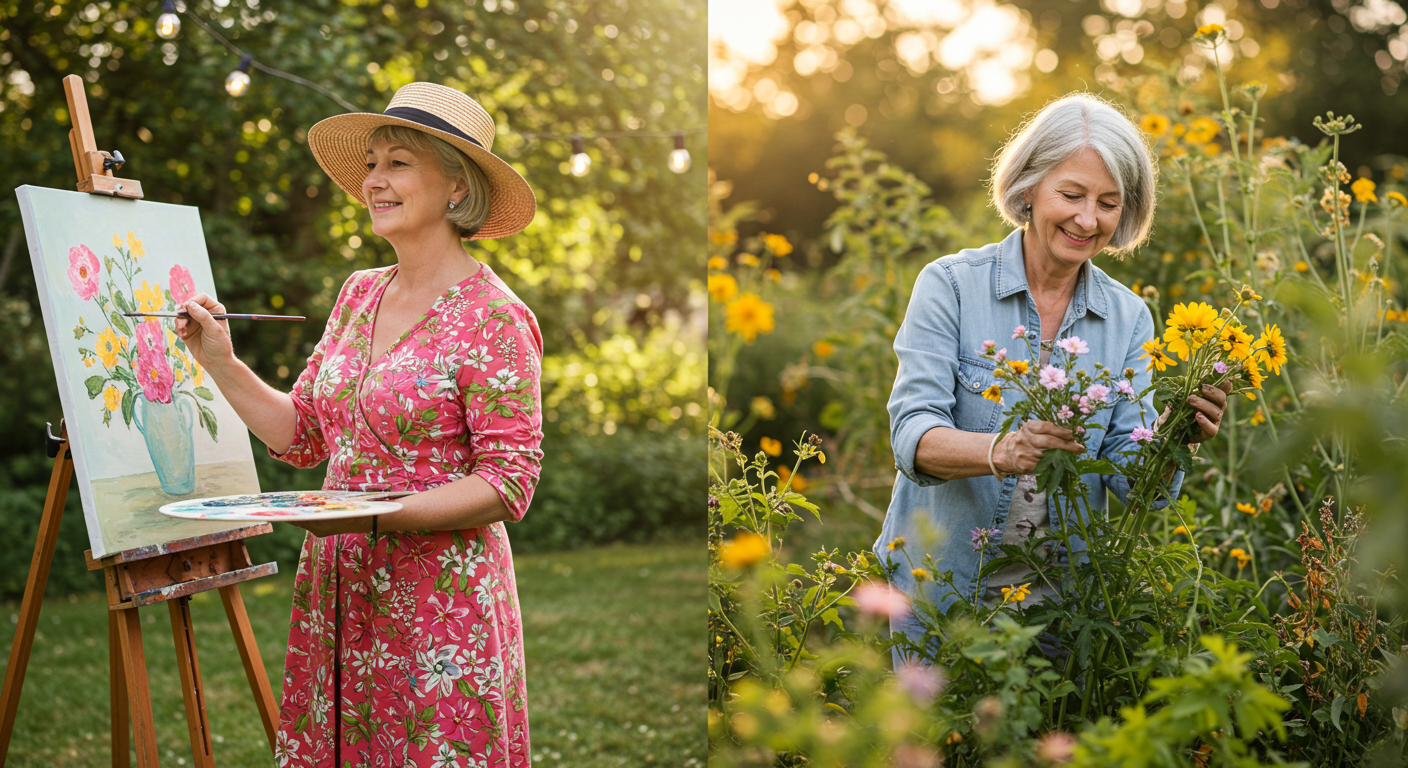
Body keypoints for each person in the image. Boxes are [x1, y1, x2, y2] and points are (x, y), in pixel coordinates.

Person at [176, 82, 542, 767]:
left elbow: (509, 482)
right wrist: (220, 364)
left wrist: (377, 517)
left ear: (456, 187)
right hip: (340, 585)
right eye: (372, 163)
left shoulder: (495, 317)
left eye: (397, 162)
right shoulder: (359, 293)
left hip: (440, 601)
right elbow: (304, 433)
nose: (373, 180)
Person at [874, 93, 1229, 655]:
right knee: (936, 742)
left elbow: (1132, 483)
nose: (1088, 219)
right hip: (943, 591)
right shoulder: (950, 286)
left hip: (1063, 605)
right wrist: (1005, 450)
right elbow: (912, 437)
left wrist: (1172, 440)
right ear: (1029, 188)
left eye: (1109, 204)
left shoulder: (1129, 318)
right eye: (1071, 194)